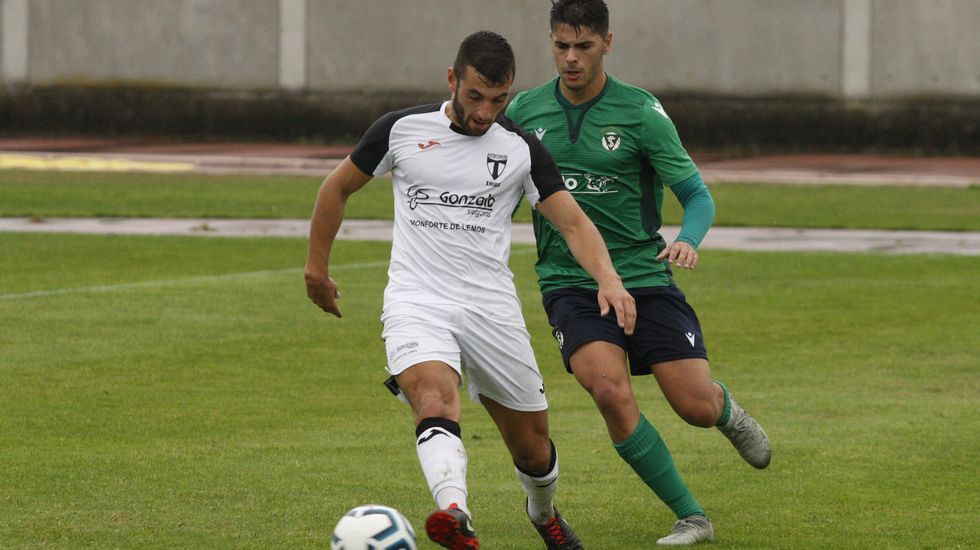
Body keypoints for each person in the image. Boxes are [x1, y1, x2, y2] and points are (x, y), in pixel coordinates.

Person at [305, 30, 636, 550]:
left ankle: (543, 511)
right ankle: (455, 514)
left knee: (532, 447)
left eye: (499, 99)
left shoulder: (521, 148)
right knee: (435, 397)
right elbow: (337, 188)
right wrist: (316, 270)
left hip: (490, 309)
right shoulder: (401, 129)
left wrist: (610, 280)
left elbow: (573, 223)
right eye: (476, 96)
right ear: (453, 80)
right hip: (417, 299)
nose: (485, 112)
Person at [506, 1, 771, 546]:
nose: (571, 59)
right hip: (569, 283)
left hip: (644, 278)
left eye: (583, 46)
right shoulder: (525, 112)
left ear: (608, 42)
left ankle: (724, 410)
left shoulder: (641, 112)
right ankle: (692, 516)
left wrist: (687, 240)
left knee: (693, 407)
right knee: (608, 390)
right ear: (550, 43)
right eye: (561, 46)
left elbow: (696, 195)